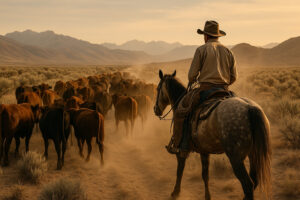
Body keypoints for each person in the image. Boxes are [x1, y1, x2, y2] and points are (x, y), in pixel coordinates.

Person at [166, 20, 237, 155]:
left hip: (205, 90)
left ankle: (181, 145)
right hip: (224, 91)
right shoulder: (229, 51)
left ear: (206, 36)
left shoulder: (201, 49)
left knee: (181, 111)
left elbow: (191, 76)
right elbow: (234, 77)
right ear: (217, 35)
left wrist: (197, 80)